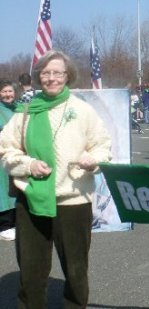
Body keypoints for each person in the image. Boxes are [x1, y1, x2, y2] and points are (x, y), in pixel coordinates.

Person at [0, 50, 112, 308]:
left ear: (67, 76)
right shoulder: (25, 111)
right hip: (31, 200)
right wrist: (28, 164)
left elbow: (103, 146)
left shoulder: (82, 110)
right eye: (46, 73)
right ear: (39, 77)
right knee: (30, 270)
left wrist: (93, 160)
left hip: (73, 201)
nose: (51, 78)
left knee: (75, 270)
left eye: (57, 72)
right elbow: (6, 148)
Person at [0, 79, 17, 241]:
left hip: (17, 157)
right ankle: (4, 226)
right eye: (4, 91)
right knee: (4, 192)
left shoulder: (18, 108)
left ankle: (15, 223)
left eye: (10, 91)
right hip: (1, 157)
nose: (7, 94)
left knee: (16, 189)